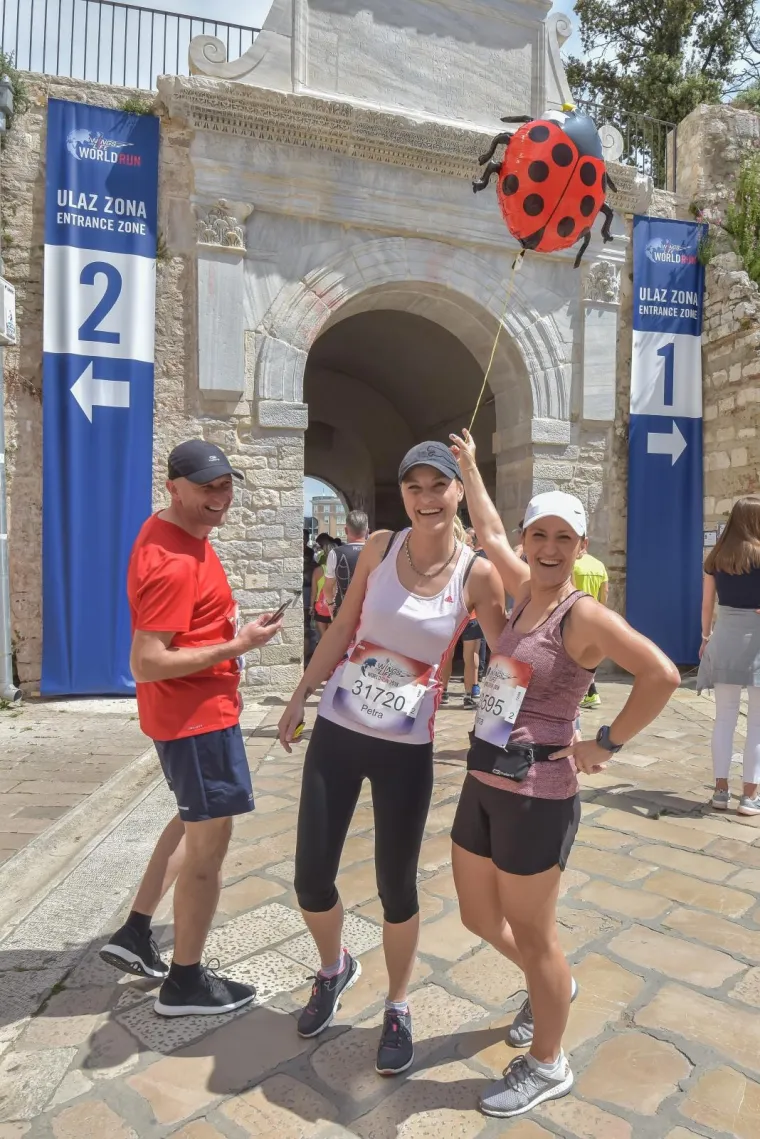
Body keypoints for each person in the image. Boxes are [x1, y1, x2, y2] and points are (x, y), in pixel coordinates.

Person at [448, 428, 680, 1119]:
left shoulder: (584, 616)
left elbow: (661, 674)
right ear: (527, 540)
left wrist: (604, 741)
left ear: (580, 548)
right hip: (483, 776)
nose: (549, 548)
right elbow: (485, 527)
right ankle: (551, 984)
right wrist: (468, 466)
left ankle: (549, 1060)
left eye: (563, 538)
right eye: (538, 535)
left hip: (535, 795)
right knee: (475, 914)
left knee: (538, 934)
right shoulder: (522, 591)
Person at [278, 442, 506, 1076]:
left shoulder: (475, 574)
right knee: (311, 876)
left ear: (460, 492)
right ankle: (334, 967)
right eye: (415, 487)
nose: (427, 498)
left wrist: (504, 731)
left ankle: (398, 1005)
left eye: (441, 486)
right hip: (340, 730)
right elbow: (344, 628)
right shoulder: (378, 547)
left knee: (396, 886)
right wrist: (300, 696)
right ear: (402, 493)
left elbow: (509, 653)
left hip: (407, 749)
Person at [99, 440, 283, 1016]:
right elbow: (145, 661)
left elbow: (184, 634)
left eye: (225, 485)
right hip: (198, 722)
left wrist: (228, 639)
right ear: (173, 486)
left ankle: (134, 930)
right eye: (206, 487)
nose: (219, 497)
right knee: (208, 851)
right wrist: (238, 645)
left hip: (190, 717)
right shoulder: (174, 560)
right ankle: (185, 982)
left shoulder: (169, 532)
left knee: (189, 820)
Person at [698, 496, 760, 815]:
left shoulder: (716, 557)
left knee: (724, 718)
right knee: (758, 724)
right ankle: (750, 796)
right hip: (757, 641)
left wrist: (705, 637)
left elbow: (707, 605)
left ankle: (720, 791)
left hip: (723, 638)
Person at [572, 549, 609, 709]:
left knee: (574, 655)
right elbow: (605, 591)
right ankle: (590, 693)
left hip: (576, 613)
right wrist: (600, 608)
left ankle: (589, 693)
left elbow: (570, 589)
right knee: (587, 655)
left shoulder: (573, 565)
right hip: (595, 614)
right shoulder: (599, 565)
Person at [323, 510, 369, 616]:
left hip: (343, 610)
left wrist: (330, 605)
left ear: (346, 530)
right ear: (367, 531)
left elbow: (328, 586)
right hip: (371, 611)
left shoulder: (335, 553)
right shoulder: (378, 552)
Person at [311, 534, 338, 642]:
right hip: (334, 606)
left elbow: (314, 592)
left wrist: (311, 607)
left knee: (323, 637)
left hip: (320, 607)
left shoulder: (318, 570)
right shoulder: (339, 570)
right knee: (332, 637)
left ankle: (323, 655)